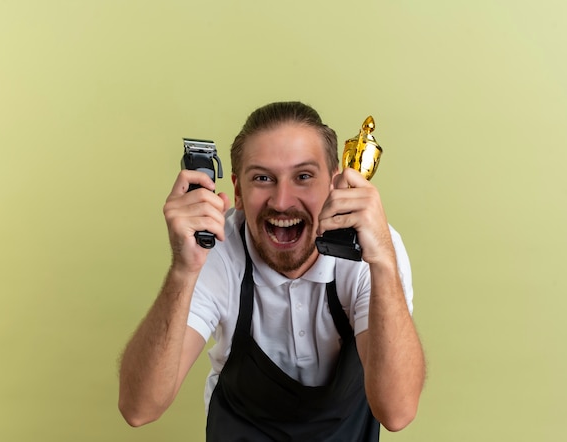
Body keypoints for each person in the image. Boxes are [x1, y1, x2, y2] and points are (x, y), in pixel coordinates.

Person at [118, 101, 425, 441]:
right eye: (262, 178)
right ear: (237, 191)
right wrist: (183, 270)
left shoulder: (372, 249)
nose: (282, 200)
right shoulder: (216, 252)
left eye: (303, 176)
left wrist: (383, 260)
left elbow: (397, 412)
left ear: (335, 184)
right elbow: (139, 408)